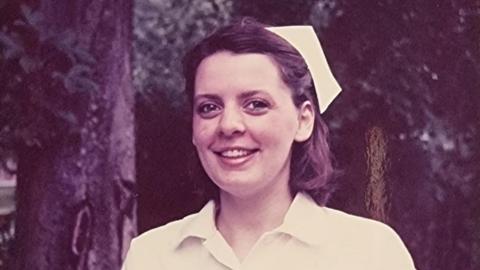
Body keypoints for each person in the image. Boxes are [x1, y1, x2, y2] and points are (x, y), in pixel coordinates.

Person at [122, 18, 416, 270]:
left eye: (256, 104)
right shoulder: (152, 257)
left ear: (303, 120)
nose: (228, 125)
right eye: (209, 107)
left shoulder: (371, 253)